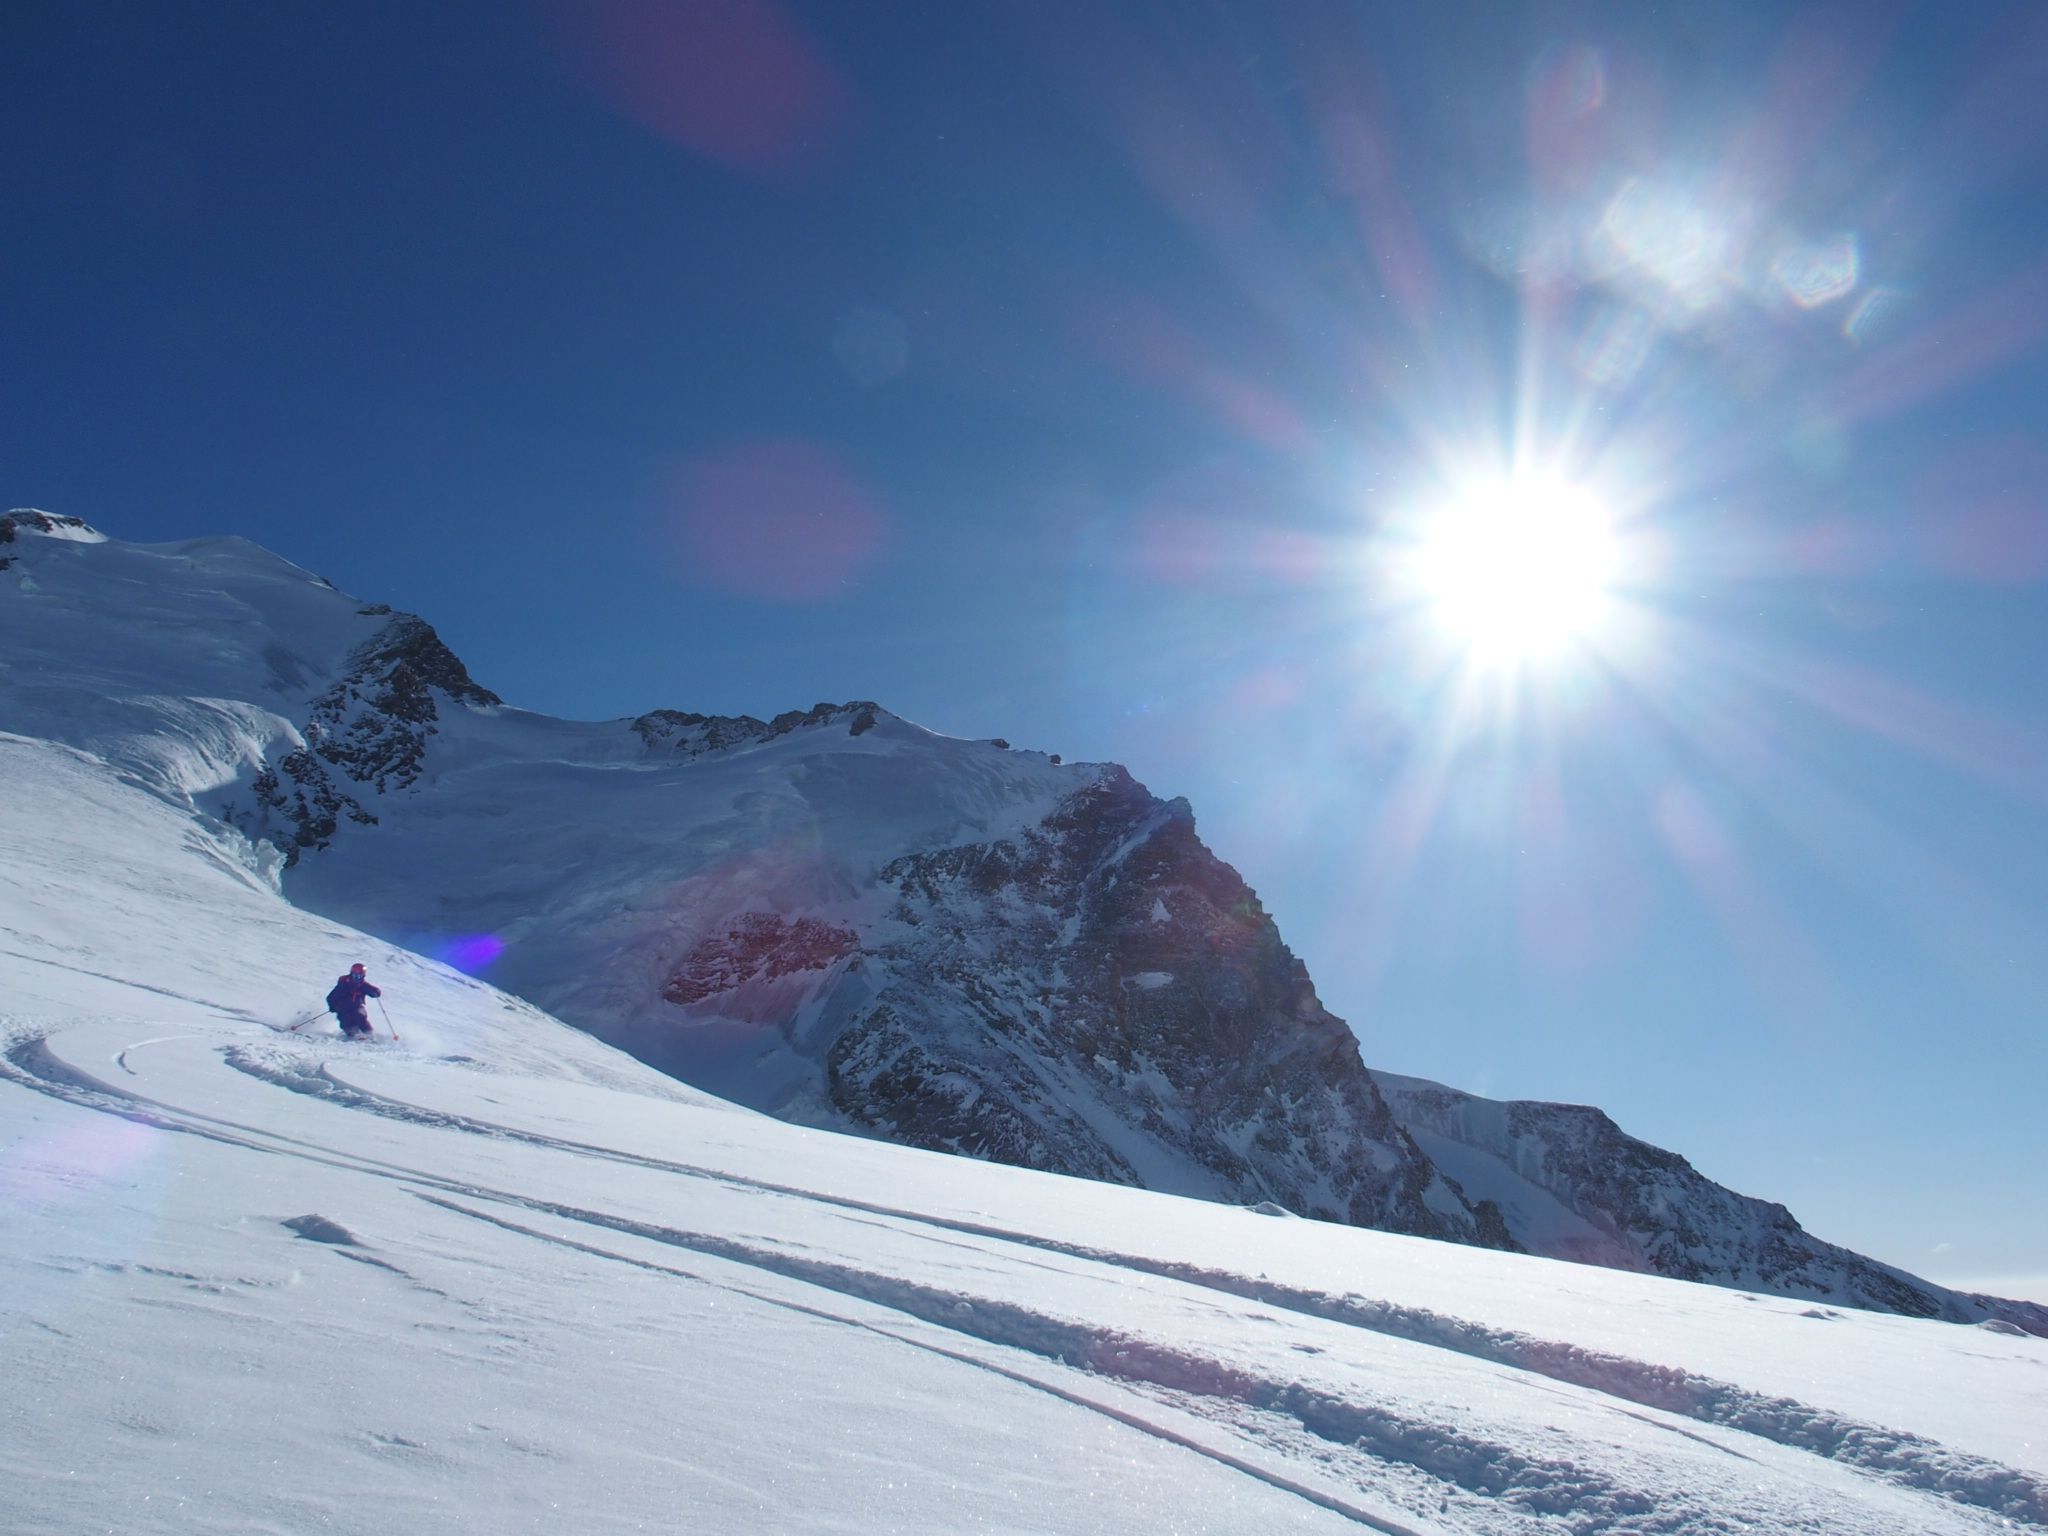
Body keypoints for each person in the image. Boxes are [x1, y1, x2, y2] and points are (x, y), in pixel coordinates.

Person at [326, 962, 381, 1039]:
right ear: (351, 974)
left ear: (363, 976)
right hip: (343, 1008)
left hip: (357, 1007)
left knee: (360, 1015)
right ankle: (353, 1034)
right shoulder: (343, 984)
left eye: (359, 976)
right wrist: (332, 1007)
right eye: (355, 975)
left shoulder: (363, 985)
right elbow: (331, 997)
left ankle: (369, 1033)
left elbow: (374, 991)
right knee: (345, 1019)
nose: (357, 978)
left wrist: (376, 992)